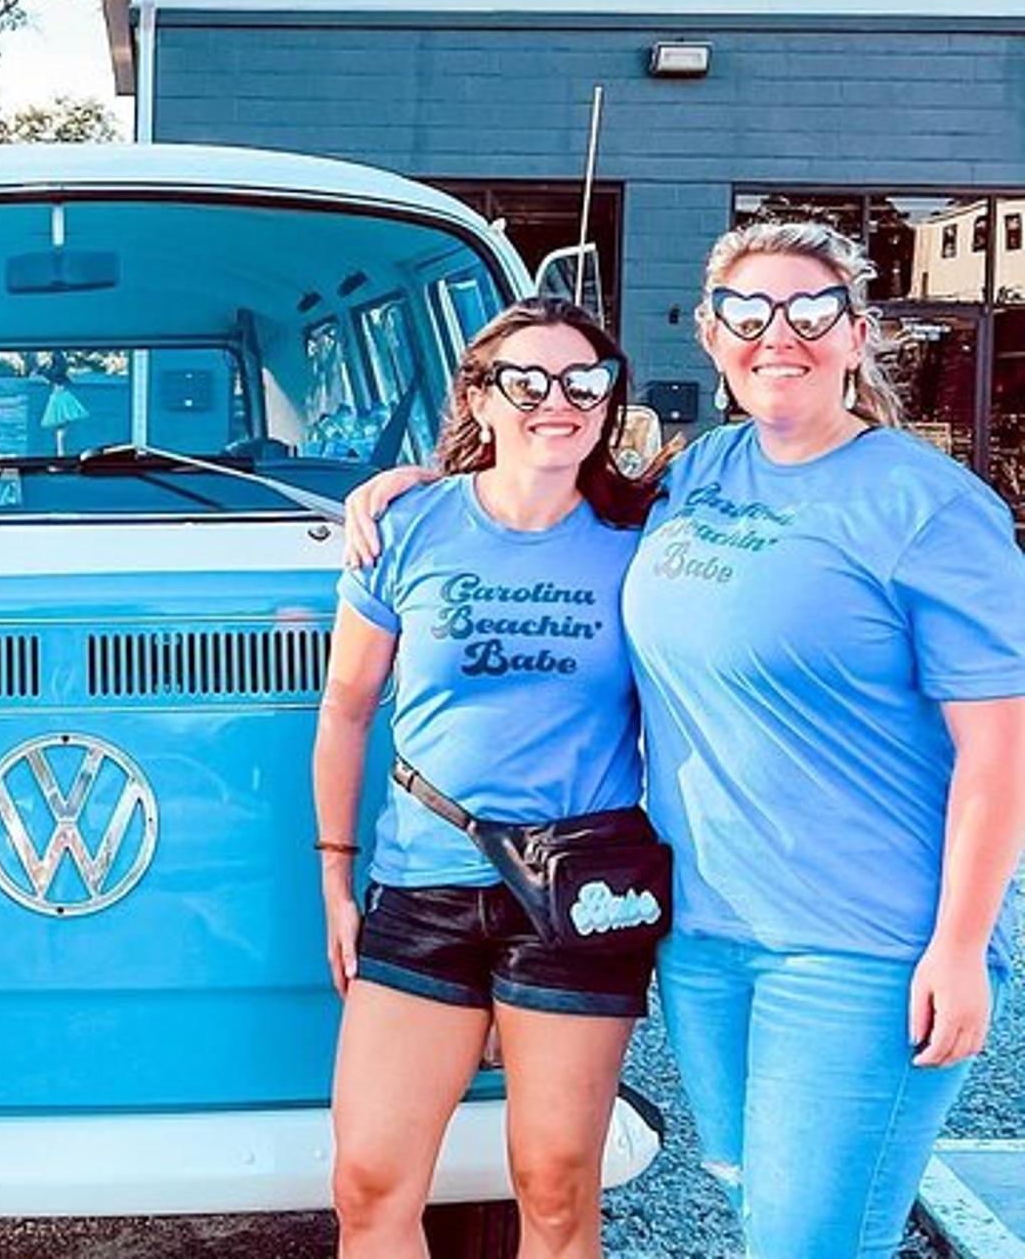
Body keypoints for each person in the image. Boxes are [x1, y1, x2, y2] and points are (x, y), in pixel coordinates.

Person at [344, 222, 1025, 1259]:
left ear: (855, 335)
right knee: (760, 1221)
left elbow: (997, 746)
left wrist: (960, 946)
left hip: (860, 945)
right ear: (711, 337)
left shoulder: (927, 506)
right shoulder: (696, 476)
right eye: (747, 315)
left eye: (808, 312)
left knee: (810, 1241)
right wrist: (410, 485)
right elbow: (539, 480)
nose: (776, 336)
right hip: (707, 939)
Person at [315, 299, 663, 1259]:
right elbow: (347, 707)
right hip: (422, 887)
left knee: (555, 1189)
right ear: (482, 393)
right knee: (370, 1181)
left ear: (608, 402)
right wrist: (337, 879)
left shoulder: (645, 537)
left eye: (584, 382)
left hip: (576, 898)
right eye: (529, 380)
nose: (559, 400)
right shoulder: (409, 524)